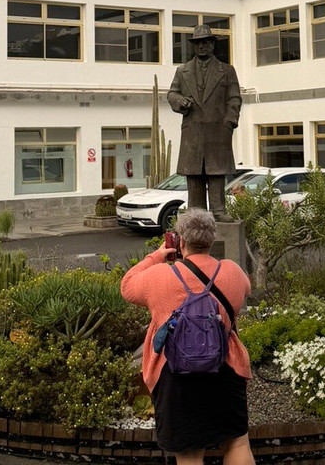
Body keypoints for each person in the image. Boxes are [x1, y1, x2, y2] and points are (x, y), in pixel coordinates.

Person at [120, 209, 254, 465]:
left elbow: (127, 286)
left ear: (180, 241)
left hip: (175, 375)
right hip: (224, 368)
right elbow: (246, 289)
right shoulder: (232, 271)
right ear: (212, 240)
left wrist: (158, 256)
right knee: (237, 441)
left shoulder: (160, 277)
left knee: (189, 454)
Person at [167, 24, 242, 220]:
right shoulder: (182, 71)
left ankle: (218, 211)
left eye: (205, 42)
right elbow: (172, 93)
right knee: (194, 175)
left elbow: (234, 98)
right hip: (192, 132)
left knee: (216, 173)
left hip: (218, 131)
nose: (201, 46)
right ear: (194, 46)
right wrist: (180, 101)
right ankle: (196, 214)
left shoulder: (227, 70)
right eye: (198, 43)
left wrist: (229, 123)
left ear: (212, 44)